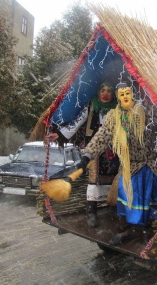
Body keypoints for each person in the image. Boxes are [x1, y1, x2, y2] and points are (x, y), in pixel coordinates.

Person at [76, 81, 157, 246]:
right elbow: (103, 135)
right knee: (126, 197)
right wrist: (87, 156)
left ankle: (152, 232)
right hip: (132, 166)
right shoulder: (116, 115)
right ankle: (125, 231)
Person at [46, 81, 119, 228]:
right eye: (102, 90)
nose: (105, 94)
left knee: (113, 179)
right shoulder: (91, 106)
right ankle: (91, 212)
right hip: (93, 149)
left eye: (109, 91)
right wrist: (59, 134)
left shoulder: (117, 109)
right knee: (93, 178)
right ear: (98, 92)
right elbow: (76, 123)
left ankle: (112, 208)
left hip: (113, 150)